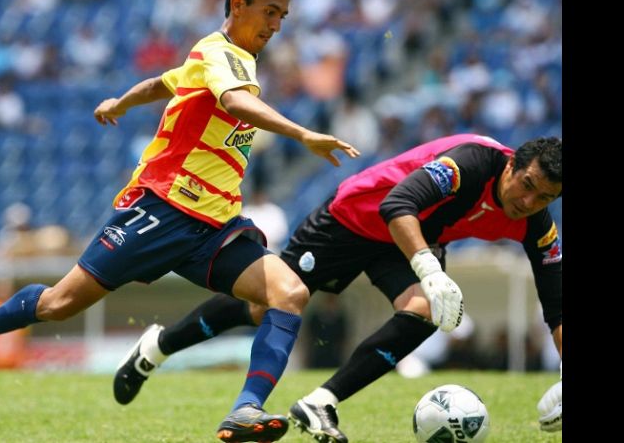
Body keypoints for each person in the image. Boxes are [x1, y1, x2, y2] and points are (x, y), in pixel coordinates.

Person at [0, 0, 359, 442]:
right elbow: (236, 104)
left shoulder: (225, 61)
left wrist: (121, 102)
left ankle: (245, 410)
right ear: (237, 4)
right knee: (60, 304)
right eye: (271, 12)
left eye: (283, 16)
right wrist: (303, 133)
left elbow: (164, 82)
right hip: (163, 208)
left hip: (214, 225)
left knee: (289, 294)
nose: (277, 25)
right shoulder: (217, 53)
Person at [114, 134, 562, 441]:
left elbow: (556, 302)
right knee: (263, 306)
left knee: (426, 310)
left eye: (542, 197)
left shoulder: (536, 223)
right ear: (511, 164)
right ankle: (159, 345)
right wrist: (429, 266)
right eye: (526, 186)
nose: (528, 202)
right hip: (355, 217)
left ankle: (320, 402)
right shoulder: (471, 162)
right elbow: (398, 202)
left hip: (407, 241)